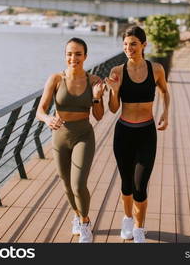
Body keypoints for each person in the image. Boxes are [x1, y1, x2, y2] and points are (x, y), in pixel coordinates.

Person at [36, 37, 106, 243]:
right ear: (65, 56)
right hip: (59, 137)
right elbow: (40, 110)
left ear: (85, 56)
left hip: (84, 135)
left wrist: (96, 97)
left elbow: (100, 115)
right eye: (69, 53)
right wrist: (48, 118)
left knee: (78, 184)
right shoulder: (56, 79)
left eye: (78, 54)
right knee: (66, 184)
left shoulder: (94, 81)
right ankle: (77, 215)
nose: (73, 58)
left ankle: (85, 223)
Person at [104, 26, 170, 243]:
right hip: (124, 133)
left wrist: (166, 113)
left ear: (144, 45)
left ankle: (140, 228)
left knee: (140, 187)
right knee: (126, 184)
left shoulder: (157, 69)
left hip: (146, 133)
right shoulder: (118, 71)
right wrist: (114, 91)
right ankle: (127, 218)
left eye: (133, 44)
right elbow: (113, 109)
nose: (128, 48)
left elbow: (164, 91)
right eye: (125, 44)